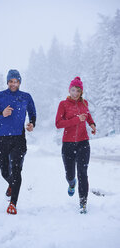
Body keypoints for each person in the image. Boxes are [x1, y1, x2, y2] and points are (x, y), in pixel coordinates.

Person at [0, 69, 36, 215]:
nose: (14, 84)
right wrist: (2, 114)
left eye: (16, 81)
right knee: (5, 171)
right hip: (2, 139)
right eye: (11, 81)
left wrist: (32, 123)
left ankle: (13, 204)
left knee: (16, 170)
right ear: (7, 82)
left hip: (19, 138)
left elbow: (32, 113)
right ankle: (11, 184)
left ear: (20, 82)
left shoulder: (26, 97)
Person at [55, 77, 96, 214]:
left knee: (83, 173)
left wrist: (92, 125)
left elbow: (88, 117)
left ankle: (83, 203)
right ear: (69, 90)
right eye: (73, 90)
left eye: (78, 90)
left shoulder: (84, 104)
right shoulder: (63, 104)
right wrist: (76, 120)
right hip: (68, 144)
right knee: (70, 174)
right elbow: (58, 124)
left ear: (81, 92)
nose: (75, 93)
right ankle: (72, 183)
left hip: (83, 143)